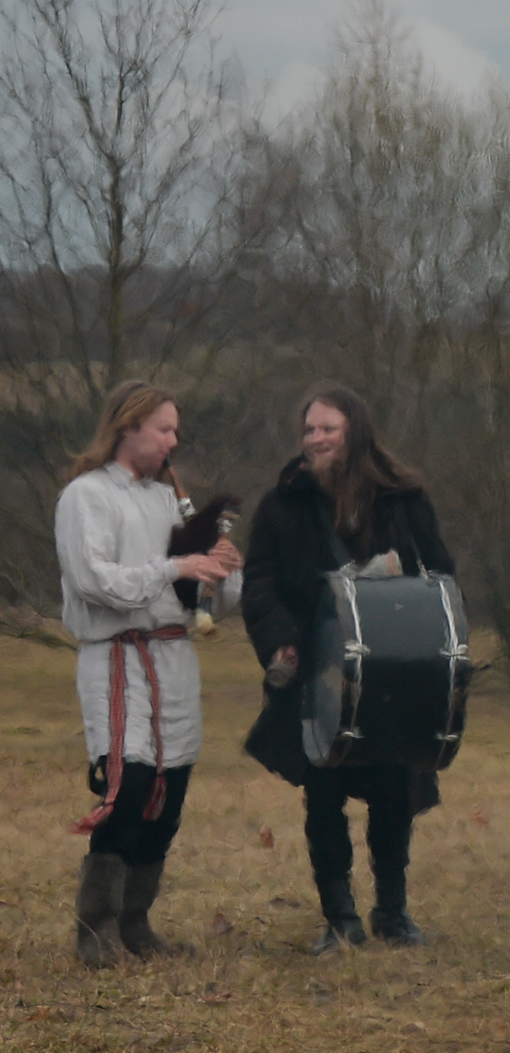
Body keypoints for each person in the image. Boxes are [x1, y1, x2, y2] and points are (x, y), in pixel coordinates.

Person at [242, 386, 453, 953]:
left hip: (394, 674)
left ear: (354, 431)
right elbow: (259, 583)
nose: (315, 439)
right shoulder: (282, 504)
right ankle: (339, 918)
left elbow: (440, 575)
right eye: (309, 429)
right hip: (316, 669)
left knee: (393, 789)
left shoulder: (404, 499)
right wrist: (281, 642)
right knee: (324, 791)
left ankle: (392, 911)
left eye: (327, 429)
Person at [56, 381, 243, 964]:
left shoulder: (167, 502)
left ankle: (135, 924)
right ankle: (96, 932)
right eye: (163, 427)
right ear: (128, 426)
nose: (172, 440)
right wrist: (175, 566)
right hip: (117, 656)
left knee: (171, 791)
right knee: (130, 785)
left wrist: (220, 570)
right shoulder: (86, 497)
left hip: (174, 657)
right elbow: (94, 579)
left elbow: (209, 599)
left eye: (174, 429)